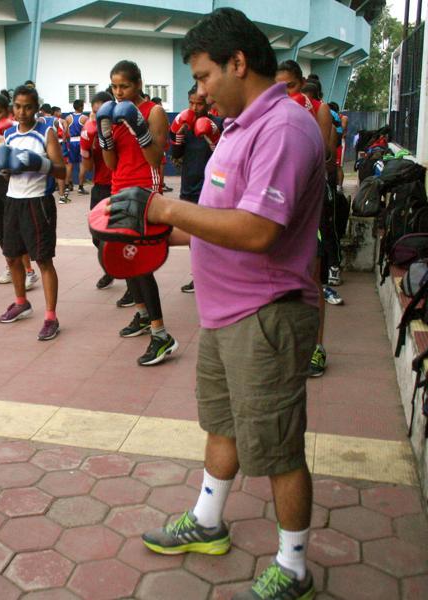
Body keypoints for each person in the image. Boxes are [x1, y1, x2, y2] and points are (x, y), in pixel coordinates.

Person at [134, 9, 324, 599]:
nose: (199, 90)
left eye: (203, 75)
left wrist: (166, 211)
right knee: (223, 425)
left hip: (265, 316)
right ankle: (208, 523)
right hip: (225, 314)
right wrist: (148, 228)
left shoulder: (285, 129)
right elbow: (220, 223)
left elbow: (258, 230)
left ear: (239, 63)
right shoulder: (241, 126)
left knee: (278, 447)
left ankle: (293, 568)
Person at [98, 60, 178, 366]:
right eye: (114, 86)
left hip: (145, 189)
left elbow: (158, 158)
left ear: (139, 83)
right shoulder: (113, 112)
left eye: (125, 86)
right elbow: (112, 165)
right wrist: (106, 134)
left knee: (141, 261)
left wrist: (139, 127)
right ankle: (144, 314)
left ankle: (161, 335)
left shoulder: (153, 112)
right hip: (120, 188)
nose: (119, 92)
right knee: (121, 256)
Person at [276, 61, 343, 377]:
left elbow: (327, 157)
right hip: (279, 204)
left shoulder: (319, 108)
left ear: (301, 83)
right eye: (278, 87)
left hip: (310, 204)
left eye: (289, 86)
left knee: (311, 278)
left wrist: (305, 121)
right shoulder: (272, 110)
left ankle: (317, 347)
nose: (284, 93)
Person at [0, 85, 66, 340]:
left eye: (27, 107)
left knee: (43, 260)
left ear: (36, 108)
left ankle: (50, 317)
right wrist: (5, 169)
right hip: (13, 201)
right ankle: (21, 302)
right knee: (12, 257)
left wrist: (40, 163)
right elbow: (7, 170)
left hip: (38, 203)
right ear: (12, 107)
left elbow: (61, 171)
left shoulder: (46, 132)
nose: (22, 112)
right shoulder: (9, 134)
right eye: (17, 106)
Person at [0, 93, 38, 289]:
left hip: (12, 180)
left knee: (15, 226)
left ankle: (29, 270)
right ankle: (11, 264)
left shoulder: (12, 129)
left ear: (7, 111)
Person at [170, 86, 222, 293]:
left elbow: (223, 157)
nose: (194, 107)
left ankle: (217, 276)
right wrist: (178, 134)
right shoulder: (184, 123)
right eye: (191, 102)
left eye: (199, 103)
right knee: (193, 236)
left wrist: (212, 137)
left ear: (208, 102)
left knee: (212, 235)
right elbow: (176, 153)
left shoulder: (219, 123)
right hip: (189, 185)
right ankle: (199, 276)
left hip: (211, 187)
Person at [80, 91, 115, 290]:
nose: (98, 117)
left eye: (101, 113)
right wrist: (86, 147)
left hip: (119, 186)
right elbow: (89, 165)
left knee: (120, 235)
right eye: (94, 114)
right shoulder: (92, 131)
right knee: (97, 236)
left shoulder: (120, 129)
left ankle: (131, 281)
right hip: (100, 186)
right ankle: (110, 268)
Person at [66, 99, 88, 195]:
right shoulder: (85, 118)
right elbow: (88, 132)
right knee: (82, 164)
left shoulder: (68, 118)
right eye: (83, 105)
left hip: (71, 141)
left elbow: (66, 132)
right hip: (81, 141)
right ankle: (80, 187)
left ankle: (67, 186)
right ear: (80, 107)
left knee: (70, 164)